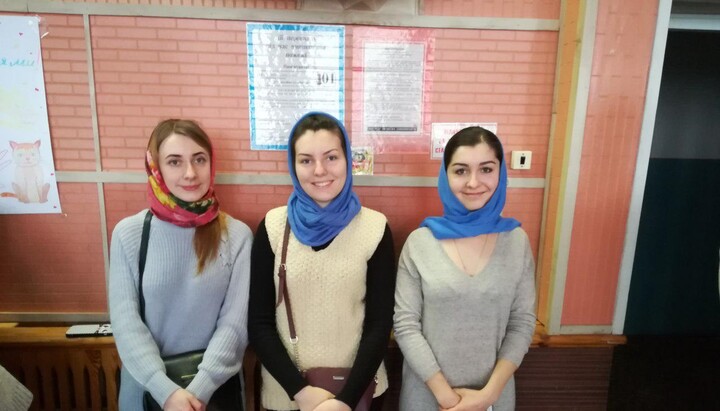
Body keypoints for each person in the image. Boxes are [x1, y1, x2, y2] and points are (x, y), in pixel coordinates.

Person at [248, 112, 396, 411]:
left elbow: (379, 325)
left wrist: (345, 401)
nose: (319, 170)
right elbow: (259, 323)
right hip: (288, 396)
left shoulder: (375, 228)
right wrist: (301, 393)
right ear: (293, 165)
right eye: (306, 160)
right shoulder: (273, 227)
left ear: (347, 160)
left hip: (359, 393)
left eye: (331, 157)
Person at [109, 119, 252, 411]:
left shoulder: (237, 235)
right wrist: (167, 393)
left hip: (214, 396)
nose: (190, 173)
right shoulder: (129, 234)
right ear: (156, 168)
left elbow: (235, 327)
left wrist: (197, 393)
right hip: (146, 393)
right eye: (175, 162)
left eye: (199, 159)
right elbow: (126, 323)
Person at [393, 127, 536, 411]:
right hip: (427, 399)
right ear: (445, 176)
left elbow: (521, 324)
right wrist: (448, 399)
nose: (473, 182)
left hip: (493, 399)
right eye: (460, 171)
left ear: (500, 173)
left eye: (486, 169)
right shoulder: (420, 243)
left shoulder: (516, 242)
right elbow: (406, 326)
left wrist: (487, 397)